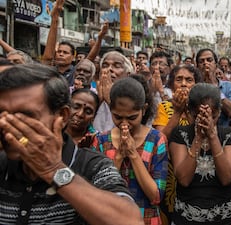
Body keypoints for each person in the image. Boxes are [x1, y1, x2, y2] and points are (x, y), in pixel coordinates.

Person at [0, 64, 143, 224]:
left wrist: (54, 171)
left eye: (23, 116)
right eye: (2, 114)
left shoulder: (92, 166)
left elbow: (130, 220)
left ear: (62, 115)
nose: (6, 124)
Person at [96, 77, 168, 225]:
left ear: (144, 109)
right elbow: (99, 194)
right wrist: (119, 157)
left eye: (132, 118)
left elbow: (156, 196)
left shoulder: (156, 140)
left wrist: (133, 155)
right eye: (117, 117)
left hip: (146, 219)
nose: (124, 124)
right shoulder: (102, 141)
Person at [169, 83, 231, 225]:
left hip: (223, 220)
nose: (206, 121)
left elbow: (227, 178)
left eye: (212, 117)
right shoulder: (180, 134)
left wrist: (212, 137)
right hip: (186, 219)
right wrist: (198, 138)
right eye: (198, 117)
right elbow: (183, 179)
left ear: (219, 113)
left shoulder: (230, 135)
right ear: (189, 112)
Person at [152, 64, 202, 225]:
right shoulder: (165, 107)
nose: (184, 84)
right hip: (169, 171)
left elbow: (202, 134)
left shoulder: (201, 108)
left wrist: (190, 111)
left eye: (189, 80)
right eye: (179, 79)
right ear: (172, 84)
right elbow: (160, 139)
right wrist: (178, 112)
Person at [196, 48, 231, 127]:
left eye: (209, 60)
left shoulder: (227, 86)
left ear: (215, 65)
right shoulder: (194, 87)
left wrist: (214, 86)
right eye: (201, 61)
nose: (206, 63)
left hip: (222, 134)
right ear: (197, 66)